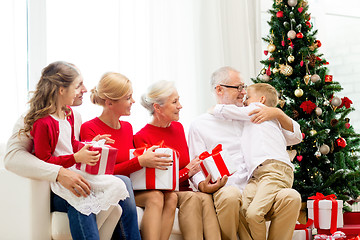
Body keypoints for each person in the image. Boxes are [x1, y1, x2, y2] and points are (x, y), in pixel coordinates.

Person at [4, 61, 140, 240]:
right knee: (81, 194)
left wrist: (89, 145)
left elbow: (69, 145)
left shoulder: (72, 115)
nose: (85, 89)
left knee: (121, 182)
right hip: (52, 186)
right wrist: (60, 172)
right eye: (79, 85)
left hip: (70, 172)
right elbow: (14, 157)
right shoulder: (36, 119)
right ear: (61, 89)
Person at [188, 66, 302, 240]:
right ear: (219, 89)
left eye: (244, 87)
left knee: (291, 196)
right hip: (228, 186)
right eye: (239, 88)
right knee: (231, 196)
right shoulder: (200, 124)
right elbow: (196, 163)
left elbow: (294, 136)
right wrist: (202, 185)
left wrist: (278, 113)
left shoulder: (258, 114)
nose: (243, 92)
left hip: (260, 182)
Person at [80, 72, 177, 240]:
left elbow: (131, 165)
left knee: (171, 196)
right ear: (110, 103)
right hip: (108, 189)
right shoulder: (90, 128)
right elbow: (100, 175)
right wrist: (140, 161)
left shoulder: (127, 127)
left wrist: (146, 157)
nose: (133, 102)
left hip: (130, 188)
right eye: (128, 98)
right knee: (154, 197)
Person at [133, 80, 221, 240]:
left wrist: (199, 179)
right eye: (174, 102)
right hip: (168, 192)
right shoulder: (142, 137)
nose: (180, 106)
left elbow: (189, 167)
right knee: (193, 198)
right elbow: (158, 183)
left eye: (178, 100)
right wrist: (187, 171)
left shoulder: (178, 128)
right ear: (157, 108)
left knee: (206, 199)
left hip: (185, 189)